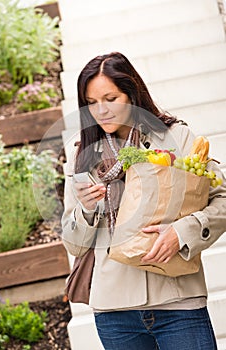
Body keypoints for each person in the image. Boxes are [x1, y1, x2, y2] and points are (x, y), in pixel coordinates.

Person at [61, 52, 226, 350]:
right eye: (91, 102)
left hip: (178, 302)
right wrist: (86, 210)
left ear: (132, 93)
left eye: (111, 98)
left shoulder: (177, 137)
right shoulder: (81, 155)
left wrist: (182, 232)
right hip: (115, 313)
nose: (101, 110)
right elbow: (73, 245)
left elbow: (221, 200)